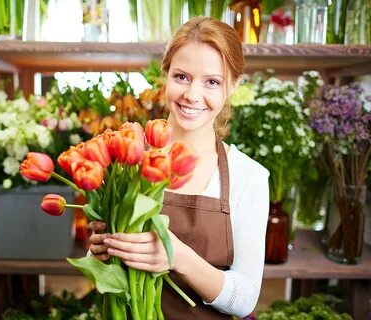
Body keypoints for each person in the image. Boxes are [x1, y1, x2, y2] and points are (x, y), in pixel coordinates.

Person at [89, 17, 270, 319]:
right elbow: (101, 279)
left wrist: (177, 257)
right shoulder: (126, 154)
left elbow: (245, 299)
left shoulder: (247, 177)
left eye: (212, 81)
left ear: (233, 85)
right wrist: (100, 251)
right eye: (182, 77)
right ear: (166, 74)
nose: (192, 95)